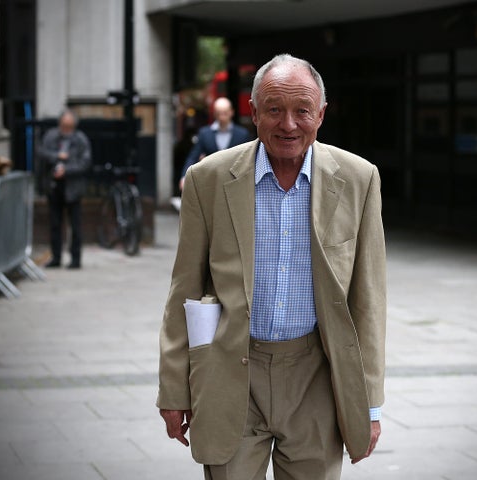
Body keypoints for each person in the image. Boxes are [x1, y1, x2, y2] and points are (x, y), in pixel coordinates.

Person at [157, 54, 386, 480]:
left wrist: (369, 403)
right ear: (253, 111)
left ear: (321, 114)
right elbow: (183, 290)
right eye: (275, 109)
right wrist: (174, 389)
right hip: (230, 371)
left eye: (302, 111)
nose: (289, 124)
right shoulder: (208, 179)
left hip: (316, 375)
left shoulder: (358, 179)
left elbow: (367, 300)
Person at [38, 109, 92, 269]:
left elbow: (85, 162)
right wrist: (56, 157)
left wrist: (67, 170)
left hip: (73, 188)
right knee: (55, 223)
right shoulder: (50, 136)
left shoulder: (80, 139)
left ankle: (75, 258)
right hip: (54, 186)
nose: (66, 129)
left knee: (75, 224)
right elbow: (41, 152)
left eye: (69, 126)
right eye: (64, 125)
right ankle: (56, 256)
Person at [178, 96, 252, 191]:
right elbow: (193, 156)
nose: (222, 116)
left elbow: (248, 159)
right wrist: (184, 177)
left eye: (225, 113)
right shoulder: (205, 133)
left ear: (231, 112)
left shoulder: (242, 134)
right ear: (215, 114)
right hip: (210, 183)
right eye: (219, 113)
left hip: (235, 183)